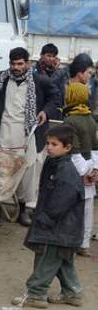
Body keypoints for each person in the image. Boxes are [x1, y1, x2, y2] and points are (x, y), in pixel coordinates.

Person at [0, 47, 61, 227]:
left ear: (28, 63)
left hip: (29, 133)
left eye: (20, 63)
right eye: (13, 63)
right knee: (0, 171)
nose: (16, 67)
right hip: (4, 132)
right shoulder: (2, 77)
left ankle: (24, 210)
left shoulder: (40, 81)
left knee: (27, 173)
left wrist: (45, 112)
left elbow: (55, 98)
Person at [12, 124, 86, 309]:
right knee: (61, 260)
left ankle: (36, 294)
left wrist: (45, 219)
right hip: (61, 228)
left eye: (54, 144)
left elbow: (60, 202)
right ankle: (72, 292)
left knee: (46, 259)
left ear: (67, 147)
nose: (49, 147)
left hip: (58, 228)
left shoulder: (66, 172)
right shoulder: (54, 164)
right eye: (48, 143)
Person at [63, 82, 97, 257]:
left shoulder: (70, 120)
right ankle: (84, 244)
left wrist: (84, 173)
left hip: (77, 170)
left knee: (73, 208)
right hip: (90, 166)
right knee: (88, 209)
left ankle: (72, 243)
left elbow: (74, 151)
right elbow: (96, 148)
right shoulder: (90, 119)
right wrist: (94, 171)